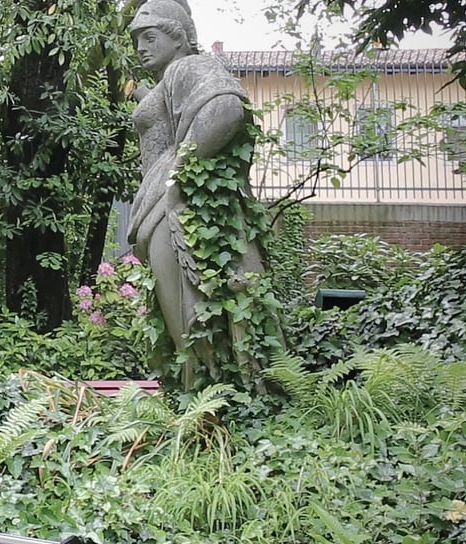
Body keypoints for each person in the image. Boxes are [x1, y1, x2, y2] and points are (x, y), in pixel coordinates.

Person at [125, 0, 273, 386]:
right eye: (137, 40)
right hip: (162, 209)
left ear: (178, 38)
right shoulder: (172, 78)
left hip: (177, 211)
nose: (141, 47)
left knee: (191, 327)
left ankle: (208, 405)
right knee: (183, 327)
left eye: (149, 37)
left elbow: (225, 110)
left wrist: (178, 175)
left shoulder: (189, 67)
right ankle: (197, 403)